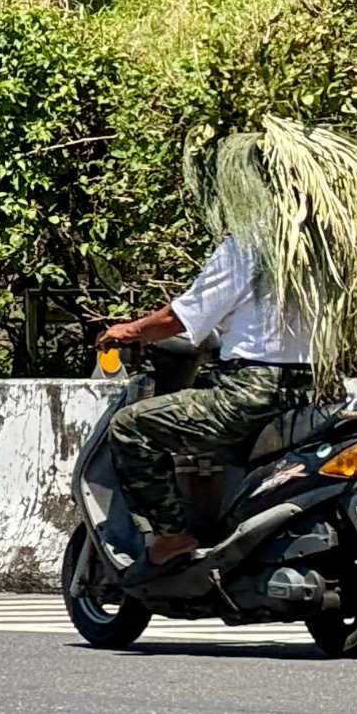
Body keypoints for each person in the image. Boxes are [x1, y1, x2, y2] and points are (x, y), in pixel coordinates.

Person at [96, 233, 317, 573]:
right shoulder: (319, 251)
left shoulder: (249, 246)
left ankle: (171, 538)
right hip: (315, 390)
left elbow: (179, 318)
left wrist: (130, 331)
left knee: (130, 426)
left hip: (251, 391)